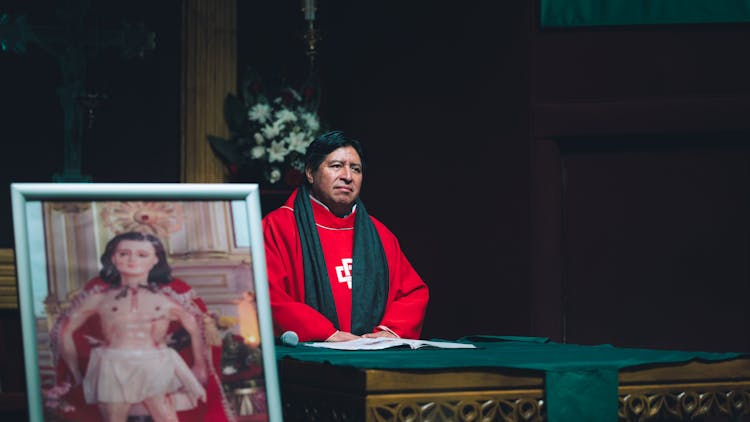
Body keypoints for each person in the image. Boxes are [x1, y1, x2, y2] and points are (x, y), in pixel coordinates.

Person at [263, 130, 429, 342]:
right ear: (310, 173)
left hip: (371, 359)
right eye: (336, 166)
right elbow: (267, 294)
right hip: (306, 361)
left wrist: (390, 331)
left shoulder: (379, 235)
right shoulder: (278, 227)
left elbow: (413, 293)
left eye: (355, 169)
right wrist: (326, 333)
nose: (347, 177)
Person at [49, 231, 234, 422]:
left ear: (155, 260)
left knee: (165, 414)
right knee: (114, 416)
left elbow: (195, 327)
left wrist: (199, 364)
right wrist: (74, 370)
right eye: (123, 254)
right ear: (113, 258)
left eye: (142, 255)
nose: (131, 260)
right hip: (112, 364)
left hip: (156, 362)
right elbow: (66, 329)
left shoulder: (168, 298)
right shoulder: (98, 298)